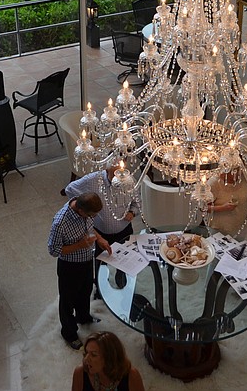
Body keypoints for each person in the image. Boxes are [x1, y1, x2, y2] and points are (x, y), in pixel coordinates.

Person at [48, 192, 111, 350]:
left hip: (86, 260)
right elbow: (54, 250)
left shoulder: (85, 212)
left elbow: (90, 228)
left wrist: (100, 239)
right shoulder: (60, 222)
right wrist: (80, 245)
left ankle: (83, 318)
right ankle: (69, 333)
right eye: (92, 215)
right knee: (67, 301)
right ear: (81, 211)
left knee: (85, 291)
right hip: (70, 267)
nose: (94, 217)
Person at [65, 167, 141, 296]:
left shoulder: (129, 180)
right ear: (107, 166)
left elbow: (137, 200)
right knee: (101, 265)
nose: (119, 173)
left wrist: (132, 212)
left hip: (124, 231)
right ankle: (101, 290)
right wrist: (83, 211)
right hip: (102, 234)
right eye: (115, 169)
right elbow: (70, 189)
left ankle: (122, 283)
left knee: (125, 261)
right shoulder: (92, 180)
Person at [71, 331, 145, 391]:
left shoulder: (132, 375)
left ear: (109, 357)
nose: (86, 359)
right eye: (86, 353)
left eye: (94, 355)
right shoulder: (80, 373)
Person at [206, 168, 247, 239]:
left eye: (240, 169)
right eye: (234, 170)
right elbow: (204, 207)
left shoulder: (246, 176)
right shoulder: (214, 183)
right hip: (220, 228)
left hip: (242, 224)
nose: (238, 174)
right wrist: (223, 208)